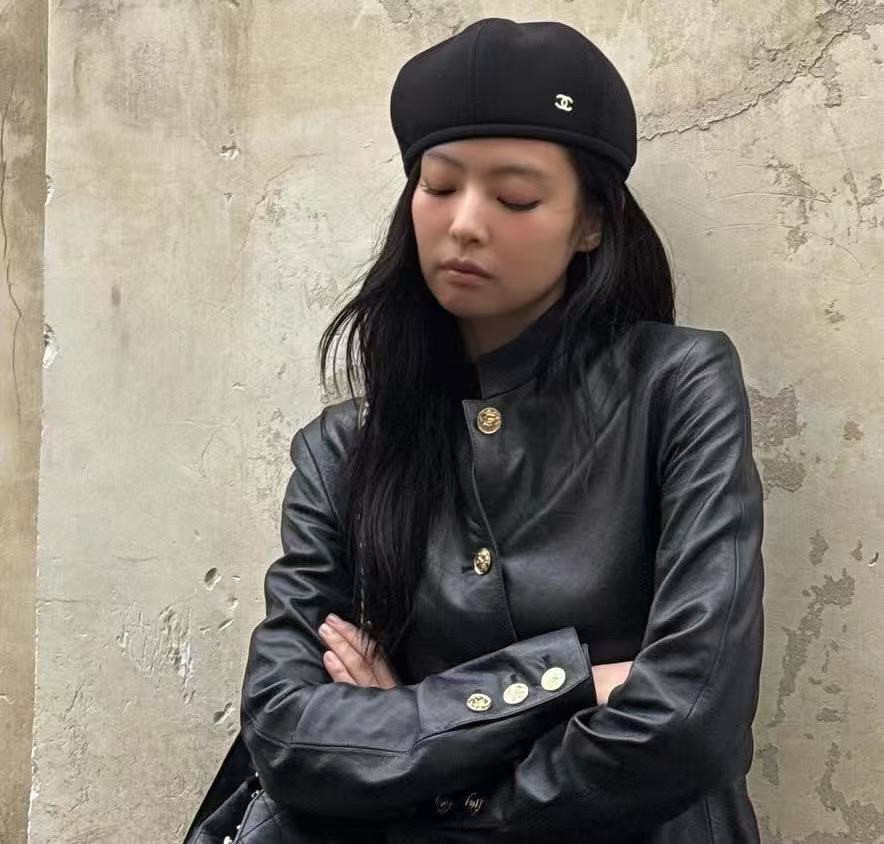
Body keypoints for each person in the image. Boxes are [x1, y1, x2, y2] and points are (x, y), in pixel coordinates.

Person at [184, 17, 765, 844]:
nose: (464, 222)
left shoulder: (677, 387)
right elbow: (285, 731)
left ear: (592, 222)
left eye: (515, 197)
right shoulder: (343, 450)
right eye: (439, 185)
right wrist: (569, 679)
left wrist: (414, 754)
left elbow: (693, 716)